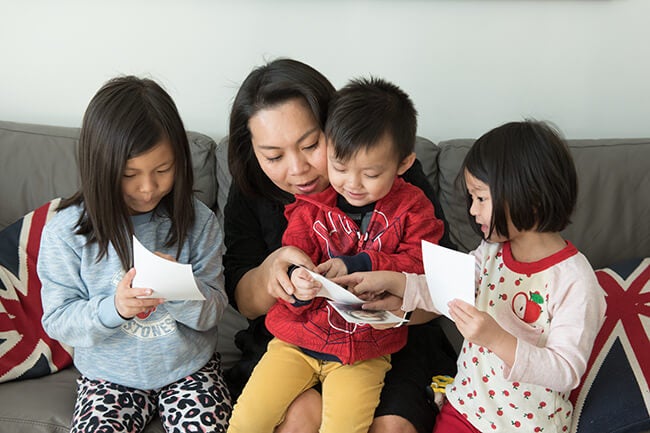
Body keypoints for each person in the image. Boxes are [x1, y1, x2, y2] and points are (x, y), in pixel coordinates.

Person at [223, 57, 457, 433]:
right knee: (297, 417)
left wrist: (396, 297)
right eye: (274, 156)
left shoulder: (384, 169)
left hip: (388, 342)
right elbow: (243, 299)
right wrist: (275, 274)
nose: (297, 169)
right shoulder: (253, 187)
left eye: (312, 145)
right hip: (295, 337)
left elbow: (444, 284)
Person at [337, 120, 607, 433]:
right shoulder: (491, 251)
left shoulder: (575, 280)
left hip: (526, 426)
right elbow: (445, 289)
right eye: (471, 198)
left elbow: (566, 370)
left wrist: (495, 338)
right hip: (465, 407)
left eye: (481, 198)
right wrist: (393, 281)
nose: (474, 211)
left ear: (529, 196)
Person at [38, 76, 232, 432]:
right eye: (129, 174)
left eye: (163, 170)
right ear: (101, 168)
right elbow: (58, 321)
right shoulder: (67, 232)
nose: (148, 188)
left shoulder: (198, 220)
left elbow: (213, 311)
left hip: (189, 370)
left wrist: (179, 289)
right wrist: (115, 308)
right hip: (108, 379)